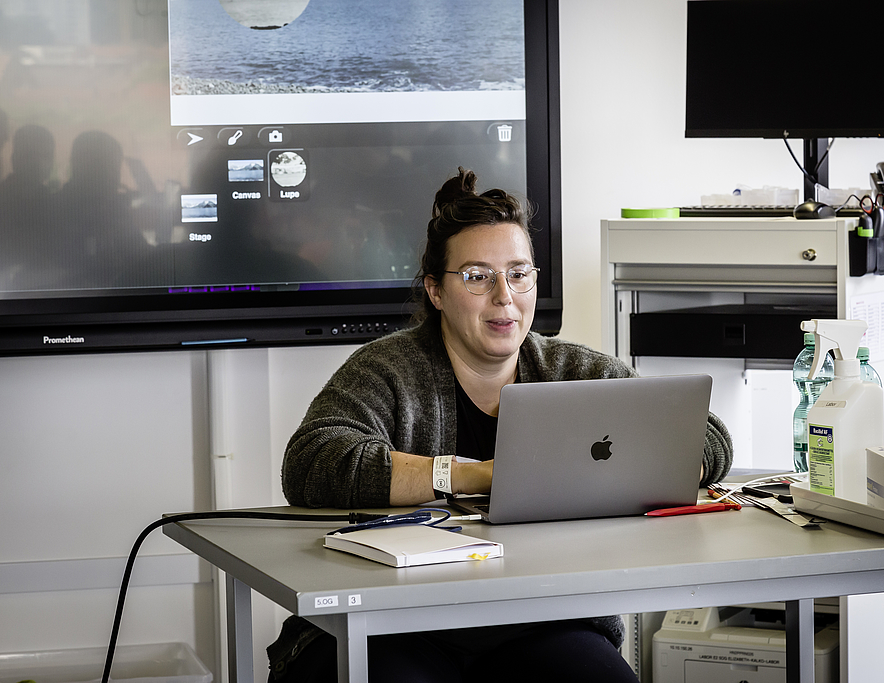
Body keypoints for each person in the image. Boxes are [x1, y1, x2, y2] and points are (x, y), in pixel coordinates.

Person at [268, 168, 733, 683]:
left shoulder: (572, 370)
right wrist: (472, 474)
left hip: (539, 620)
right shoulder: (388, 369)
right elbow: (311, 463)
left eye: (518, 273)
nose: (504, 296)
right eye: (477, 276)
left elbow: (707, 435)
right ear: (436, 291)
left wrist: (657, 464)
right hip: (393, 622)